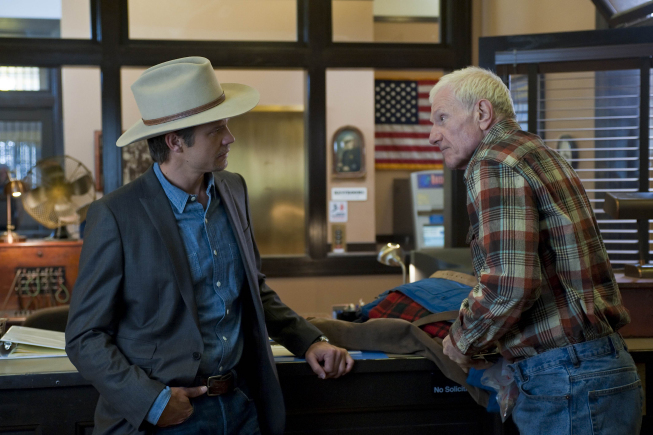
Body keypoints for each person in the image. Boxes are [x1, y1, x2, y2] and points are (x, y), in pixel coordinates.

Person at [65, 57, 354, 435]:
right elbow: (85, 337)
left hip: (242, 408)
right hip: (166, 419)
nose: (230, 137)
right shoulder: (116, 215)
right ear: (175, 142)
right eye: (216, 130)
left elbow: (254, 290)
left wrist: (309, 340)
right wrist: (152, 402)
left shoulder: (233, 189)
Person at [428, 66, 642, 434]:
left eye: (442, 118)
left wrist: (461, 341)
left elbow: (510, 285)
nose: (433, 136)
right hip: (594, 371)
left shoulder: (492, 161)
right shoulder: (536, 151)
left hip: (568, 381)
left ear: (481, 113)